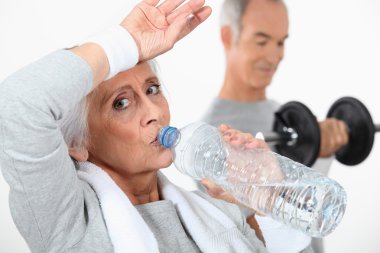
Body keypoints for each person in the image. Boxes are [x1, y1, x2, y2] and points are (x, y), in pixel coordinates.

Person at [0, 0, 269, 252]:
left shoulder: (221, 212)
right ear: (77, 144)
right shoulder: (70, 225)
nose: (154, 113)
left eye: (152, 89)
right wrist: (123, 43)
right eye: (121, 104)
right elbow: (16, 105)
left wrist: (269, 198)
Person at [199, 0, 349, 253]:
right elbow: (256, 242)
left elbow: (312, 211)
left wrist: (321, 153)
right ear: (228, 36)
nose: (274, 55)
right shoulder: (212, 139)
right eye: (261, 41)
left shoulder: (283, 113)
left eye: (280, 42)